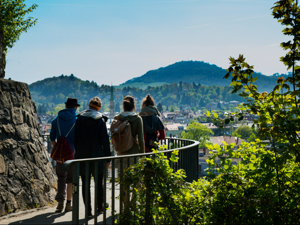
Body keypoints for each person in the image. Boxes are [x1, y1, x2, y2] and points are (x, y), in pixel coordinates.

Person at [74, 97, 111, 217]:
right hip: (98, 156)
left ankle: (88, 210)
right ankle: (99, 206)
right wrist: (108, 157)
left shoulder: (79, 119)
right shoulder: (100, 120)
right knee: (98, 183)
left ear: (89, 106)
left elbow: (75, 139)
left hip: (83, 156)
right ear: (99, 107)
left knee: (85, 183)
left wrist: (78, 152)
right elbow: (105, 140)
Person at [113, 95, 145, 208]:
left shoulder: (118, 117)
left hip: (121, 153)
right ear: (134, 105)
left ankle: (125, 206)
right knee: (137, 180)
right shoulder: (137, 119)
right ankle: (133, 202)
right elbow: (140, 139)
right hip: (135, 154)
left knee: (123, 180)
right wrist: (143, 154)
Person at [50, 97, 80, 212]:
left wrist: (58, 149)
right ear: (76, 107)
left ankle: (60, 203)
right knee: (71, 179)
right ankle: (69, 204)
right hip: (73, 153)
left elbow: (52, 138)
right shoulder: (78, 120)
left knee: (61, 177)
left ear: (66, 106)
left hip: (60, 154)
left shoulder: (56, 120)